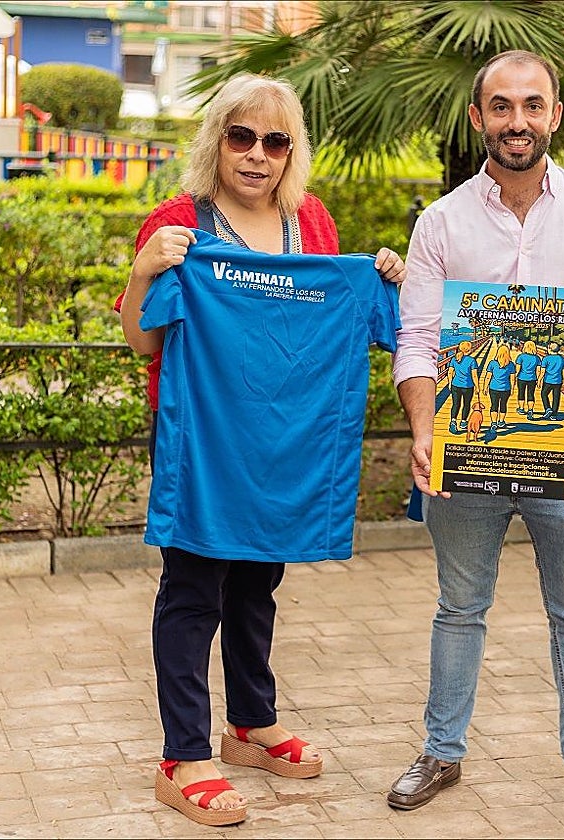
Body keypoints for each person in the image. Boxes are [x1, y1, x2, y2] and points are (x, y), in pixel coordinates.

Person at [117, 73, 406, 827]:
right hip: (200, 441)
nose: (256, 155)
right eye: (241, 137)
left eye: (274, 141)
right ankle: (183, 756)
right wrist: (145, 268)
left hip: (282, 442)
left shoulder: (312, 224)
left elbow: (338, 317)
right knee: (194, 588)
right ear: (217, 140)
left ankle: (250, 721)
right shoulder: (180, 220)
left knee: (256, 582)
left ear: (291, 153)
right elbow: (145, 338)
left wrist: (377, 280)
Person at [388, 50, 564, 826]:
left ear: (554, 116)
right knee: (458, 608)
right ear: (478, 118)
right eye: (502, 106)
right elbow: (415, 340)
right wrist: (421, 429)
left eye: (532, 105)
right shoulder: (439, 222)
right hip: (464, 441)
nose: (518, 121)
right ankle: (441, 753)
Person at [483, 344, 516, 429]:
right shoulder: (511, 365)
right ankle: (501, 421)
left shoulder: (492, 363)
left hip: (493, 388)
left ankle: (494, 422)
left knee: (494, 405)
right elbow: (512, 379)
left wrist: (485, 387)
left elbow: (488, 377)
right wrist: (512, 388)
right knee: (503, 405)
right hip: (506, 388)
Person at [539, 343, 564, 419]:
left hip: (548, 380)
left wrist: (539, 380)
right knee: (556, 397)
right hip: (558, 381)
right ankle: (554, 414)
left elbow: (542, 372)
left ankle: (547, 408)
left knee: (544, 394)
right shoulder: (562, 359)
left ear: (549, 349)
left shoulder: (546, 358)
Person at [515, 340, 540, 416]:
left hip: (522, 378)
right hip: (532, 378)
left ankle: (521, 409)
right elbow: (538, 370)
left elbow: (517, 369)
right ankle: (530, 410)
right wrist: (538, 379)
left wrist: (515, 377)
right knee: (531, 394)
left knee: (521, 393)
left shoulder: (521, 356)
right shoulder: (537, 358)